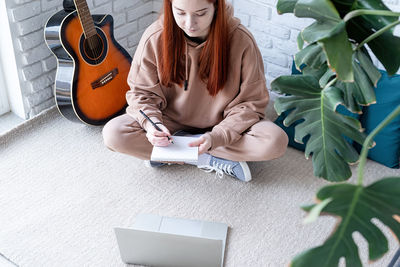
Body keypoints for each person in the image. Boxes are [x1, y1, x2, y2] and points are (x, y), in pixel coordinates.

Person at [102, 0, 288, 182]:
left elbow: (251, 103)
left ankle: (173, 151)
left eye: (200, 13)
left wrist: (217, 137)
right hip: (169, 123)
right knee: (114, 133)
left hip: (223, 123)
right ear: (170, 6)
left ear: (216, 7)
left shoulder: (241, 40)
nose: (190, 24)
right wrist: (152, 126)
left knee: (274, 141)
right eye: (181, 13)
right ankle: (207, 157)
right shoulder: (155, 36)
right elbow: (140, 94)